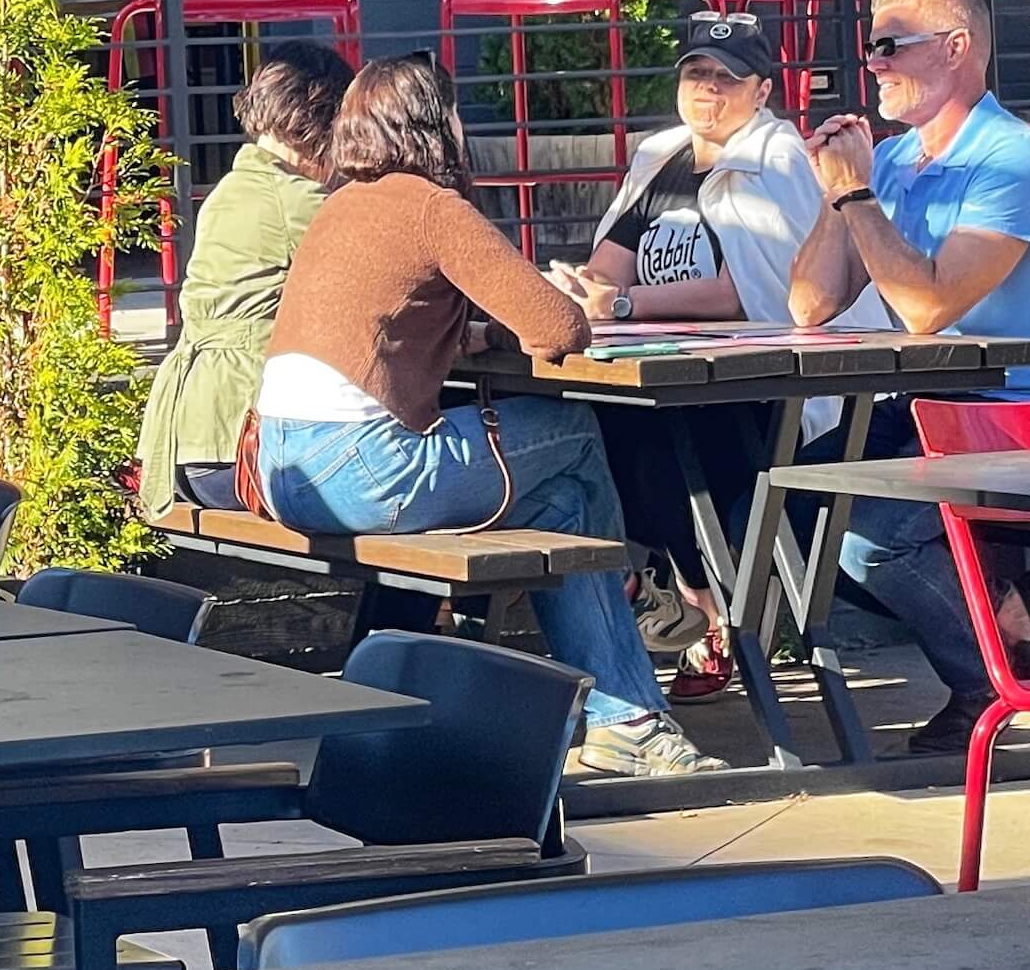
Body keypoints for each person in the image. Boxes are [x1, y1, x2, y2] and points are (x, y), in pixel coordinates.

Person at [251, 55, 723, 778]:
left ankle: (626, 715)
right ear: (435, 125)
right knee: (573, 432)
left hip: (285, 468)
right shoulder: (431, 206)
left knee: (564, 500)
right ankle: (630, 695)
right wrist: (533, 314)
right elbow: (561, 328)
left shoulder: (341, 203)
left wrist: (480, 332)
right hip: (362, 468)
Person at [787, 0, 1030, 752]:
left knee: (870, 533)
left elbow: (930, 307)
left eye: (891, 45)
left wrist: (858, 196)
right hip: (936, 409)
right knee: (786, 506)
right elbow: (809, 305)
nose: (874, 64)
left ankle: (999, 683)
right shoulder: (895, 162)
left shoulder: (1012, 160)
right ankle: (1009, 616)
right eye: (870, 46)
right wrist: (841, 195)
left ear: (957, 50)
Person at [549, 13, 889, 700]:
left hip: (769, 395)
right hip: (669, 376)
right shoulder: (660, 159)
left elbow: (756, 289)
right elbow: (611, 265)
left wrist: (624, 308)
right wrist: (589, 294)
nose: (708, 90)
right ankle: (678, 598)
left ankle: (712, 612)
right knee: (594, 421)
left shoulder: (780, 163)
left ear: (762, 91)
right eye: (696, 74)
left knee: (656, 436)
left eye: (726, 79)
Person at [137, 41, 354, 519]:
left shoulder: (233, 187)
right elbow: (379, 282)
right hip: (238, 445)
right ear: (322, 118)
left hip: (186, 442)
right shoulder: (294, 197)